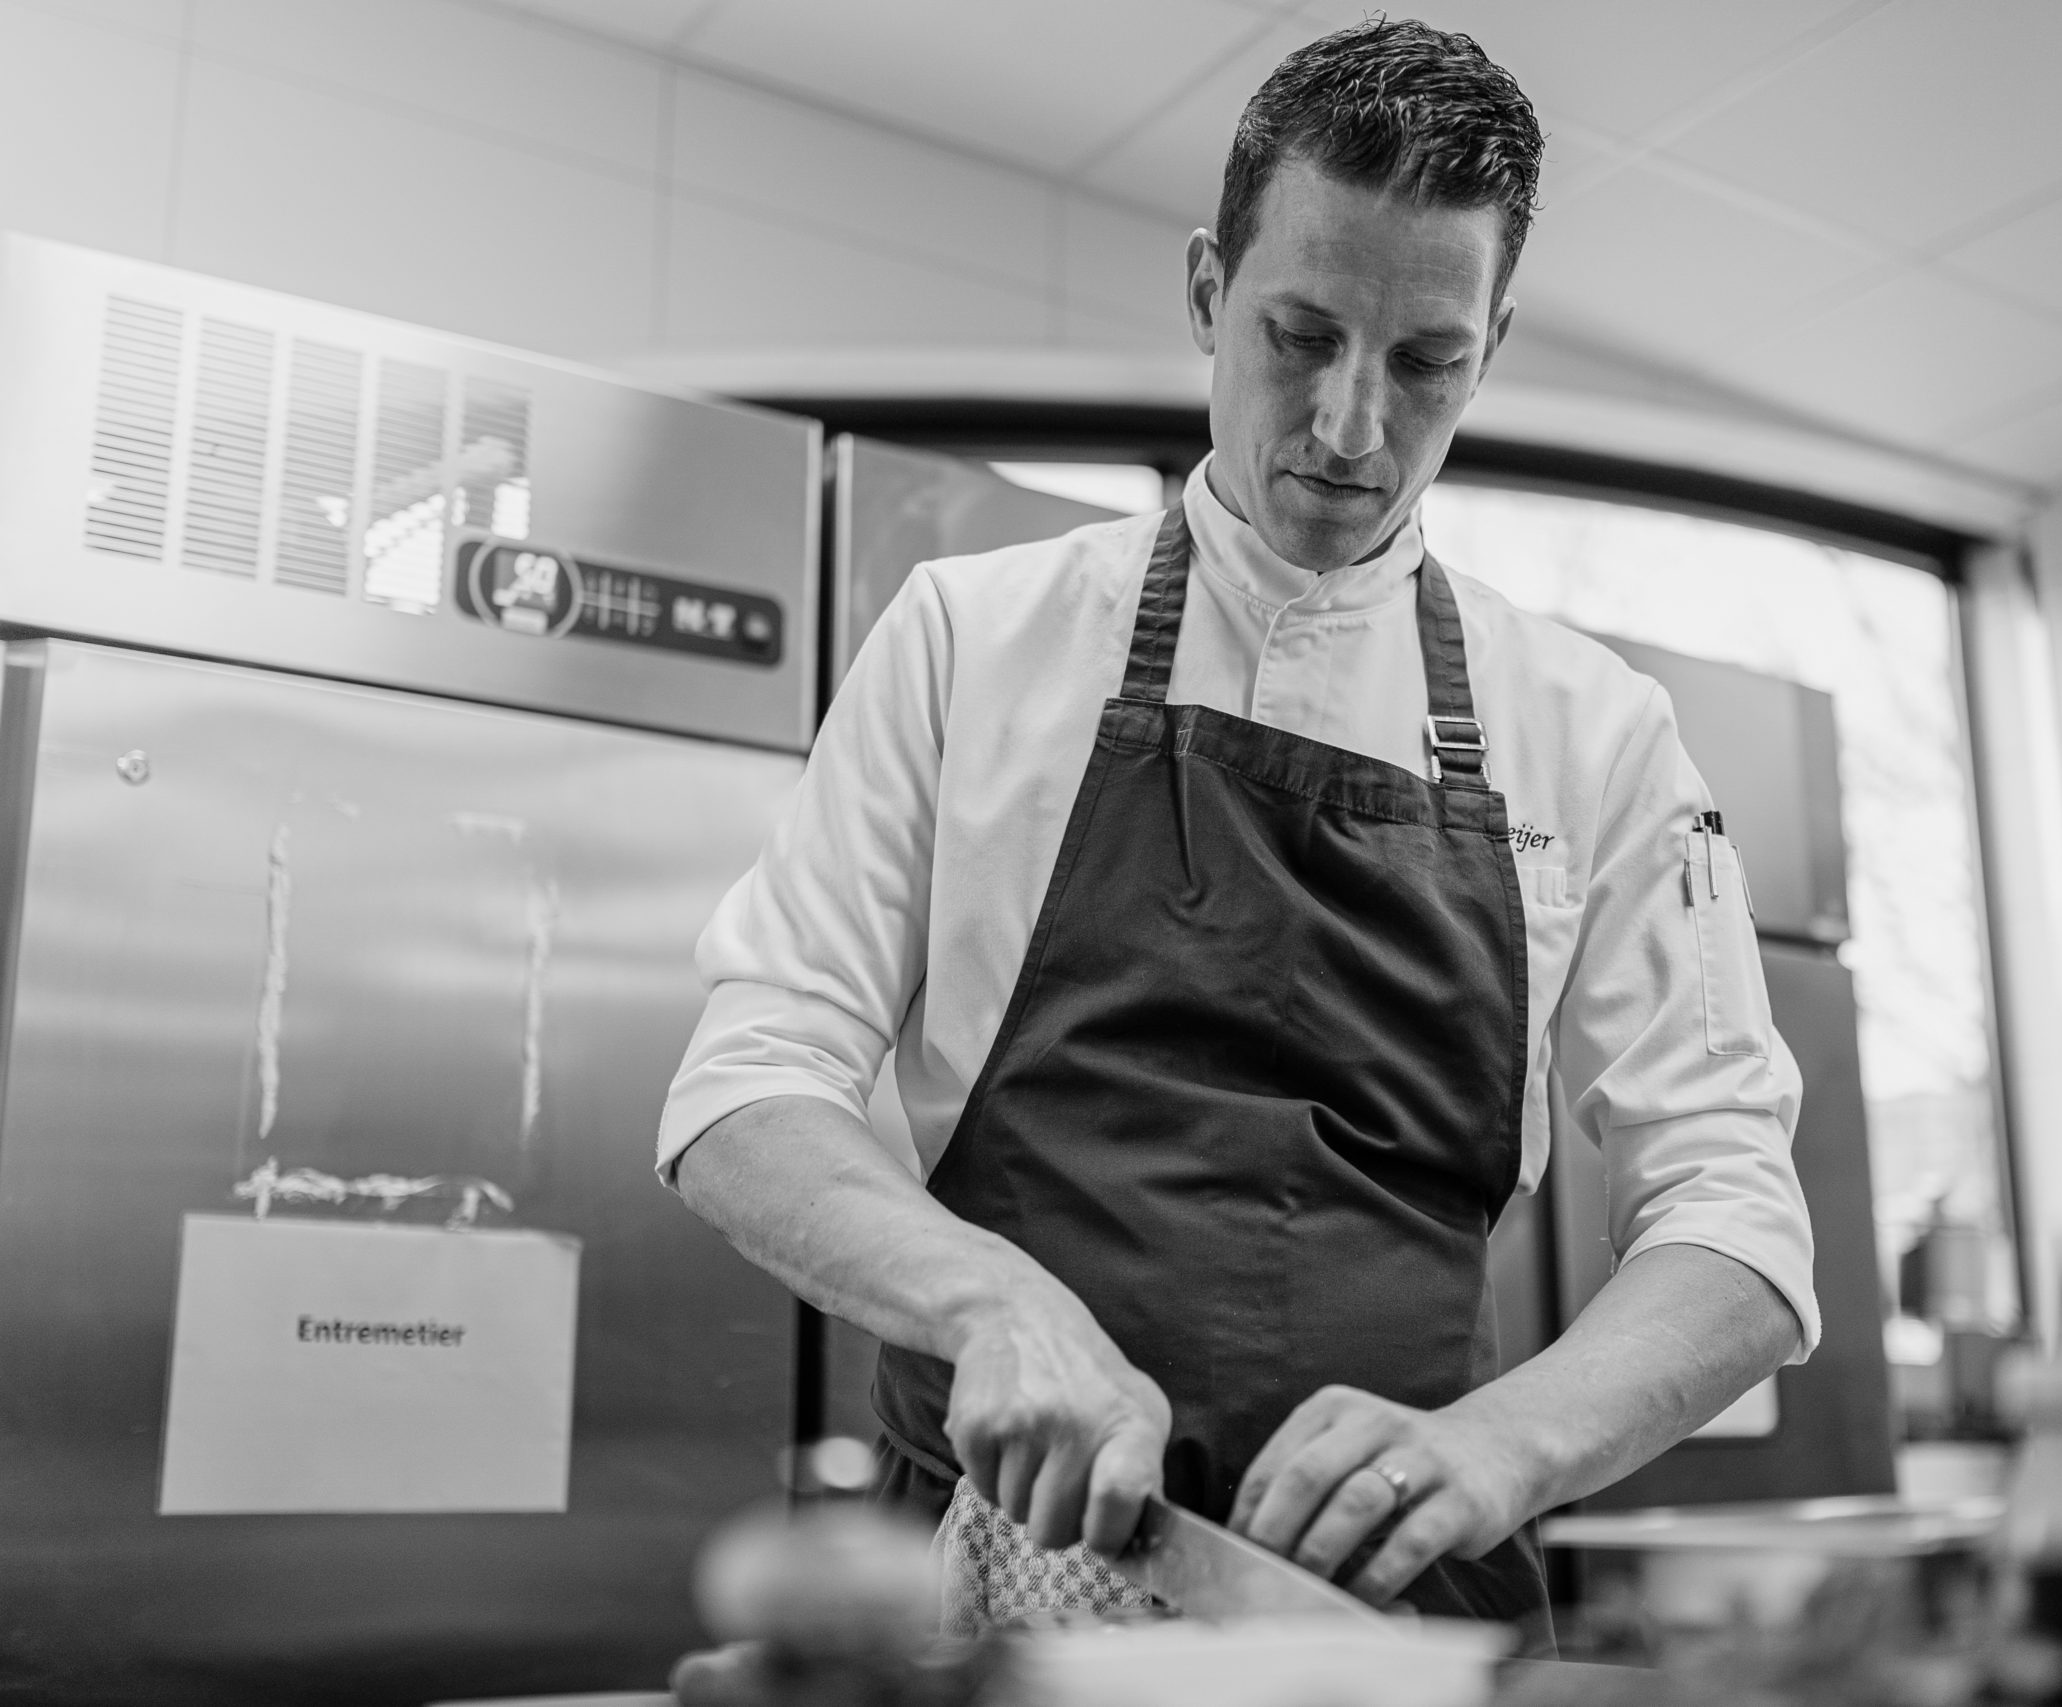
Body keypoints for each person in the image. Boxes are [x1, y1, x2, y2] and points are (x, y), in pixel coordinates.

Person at [658, 17, 1817, 1633]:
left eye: (1428, 363)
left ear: (1492, 347)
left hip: (1397, 1610)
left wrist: (1503, 1447)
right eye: (1299, 334)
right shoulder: (967, 636)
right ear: (1209, 290)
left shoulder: (1596, 733)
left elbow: (1737, 1219)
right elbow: (749, 1090)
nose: (1352, 428)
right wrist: (986, 1302)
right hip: (1007, 1575)